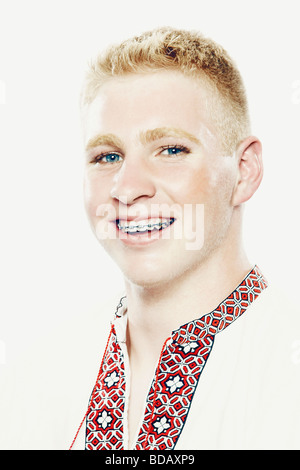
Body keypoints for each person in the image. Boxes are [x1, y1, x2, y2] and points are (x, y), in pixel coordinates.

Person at [1, 27, 298, 451]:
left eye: (171, 149)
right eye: (108, 156)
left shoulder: (286, 380)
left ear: (245, 171)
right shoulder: (33, 379)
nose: (127, 187)